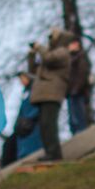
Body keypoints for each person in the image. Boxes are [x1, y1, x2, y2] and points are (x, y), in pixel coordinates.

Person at [29, 28, 73, 162]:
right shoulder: (51, 52)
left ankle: (54, 154)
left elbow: (48, 59)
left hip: (52, 94)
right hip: (44, 94)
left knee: (49, 125)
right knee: (44, 126)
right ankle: (49, 152)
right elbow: (33, 70)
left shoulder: (63, 52)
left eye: (52, 37)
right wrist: (31, 55)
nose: (50, 39)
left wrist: (40, 47)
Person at [1, 72, 44, 168]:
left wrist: (30, 118)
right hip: (24, 124)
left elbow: (37, 106)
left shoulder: (34, 89)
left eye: (23, 78)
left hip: (33, 123)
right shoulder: (25, 92)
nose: (22, 81)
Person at [66, 37, 93, 135]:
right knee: (73, 115)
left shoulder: (81, 56)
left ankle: (83, 131)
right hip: (71, 91)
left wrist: (77, 87)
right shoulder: (70, 58)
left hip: (78, 90)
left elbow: (83, 73)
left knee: (80, 113)